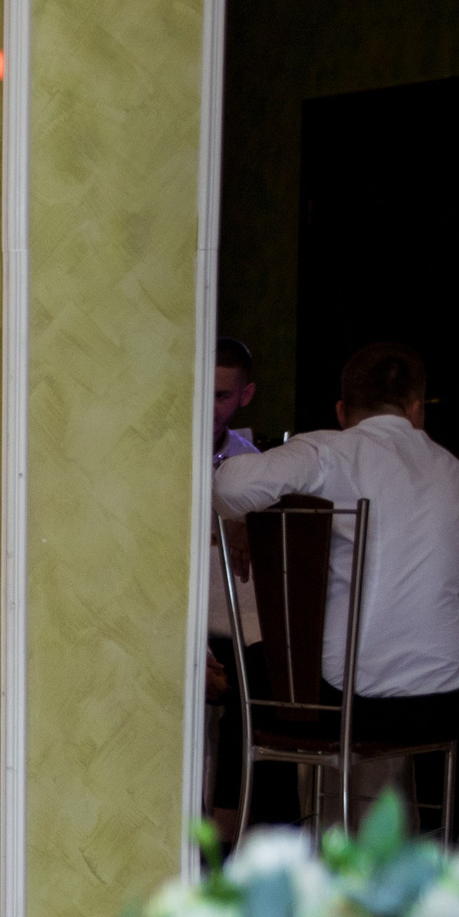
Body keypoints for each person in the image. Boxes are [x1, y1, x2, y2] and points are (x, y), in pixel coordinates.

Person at [213, 342, 459, 830]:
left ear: (342, 411)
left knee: (257, 660)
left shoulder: (329, 451)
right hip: (445, 706)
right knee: (441, 657)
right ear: (416, 410)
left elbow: (230, 485)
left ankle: (265, 836)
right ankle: (437, 835)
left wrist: (248, 517)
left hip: (350, 704)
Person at [206, 337, 296, 834]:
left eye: (223, 396)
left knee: (266, 670)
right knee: (257, 670)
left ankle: (246, 823)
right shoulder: (164, 453)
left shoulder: (252, 461)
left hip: (235, 619)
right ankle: (249, 826)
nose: (211, 406)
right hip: (186, 614)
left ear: (246, 395)